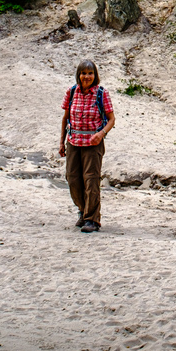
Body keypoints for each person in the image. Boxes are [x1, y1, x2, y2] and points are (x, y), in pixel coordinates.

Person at [60, 59, 114, 233]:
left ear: (95, 75)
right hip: (74, 142)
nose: (87, 77)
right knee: (72, 179)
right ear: (79, 75)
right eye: (83, 73)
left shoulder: (101, 93)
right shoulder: (72, 91)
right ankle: (82, 211)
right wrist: (62, 142)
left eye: (90, 73)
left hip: (93, 143)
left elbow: (111, 119)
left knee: (91, 180)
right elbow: (65, 118)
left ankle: (92, 219)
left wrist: (101, 134)